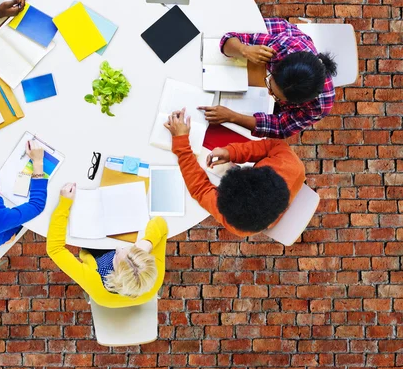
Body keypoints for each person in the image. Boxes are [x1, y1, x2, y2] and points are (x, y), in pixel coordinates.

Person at [165, 109, 305, 236]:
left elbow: (200, 189)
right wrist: (231, 152)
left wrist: (181, 143)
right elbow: (271, 145)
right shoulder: (290, 163)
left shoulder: (237, 220)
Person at [200, 18, 337, 138]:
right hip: (273, 35)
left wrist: (233, 117)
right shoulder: (282, 46)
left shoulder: (320, 106)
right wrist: (244, 49)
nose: (269, 92)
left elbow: (281, 128)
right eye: (270, 84)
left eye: (276, 96)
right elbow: (229, 37)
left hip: (254, 102)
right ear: (277, 65)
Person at [46, 183, 168, 308]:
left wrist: (64, 205)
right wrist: (147, 243)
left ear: (115, 275)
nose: (118, 248)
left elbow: (55, 249)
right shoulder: (153, 274)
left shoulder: (92, 280)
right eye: (131, 248)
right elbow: (160, 223)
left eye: (117, 255)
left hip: (94, 247)